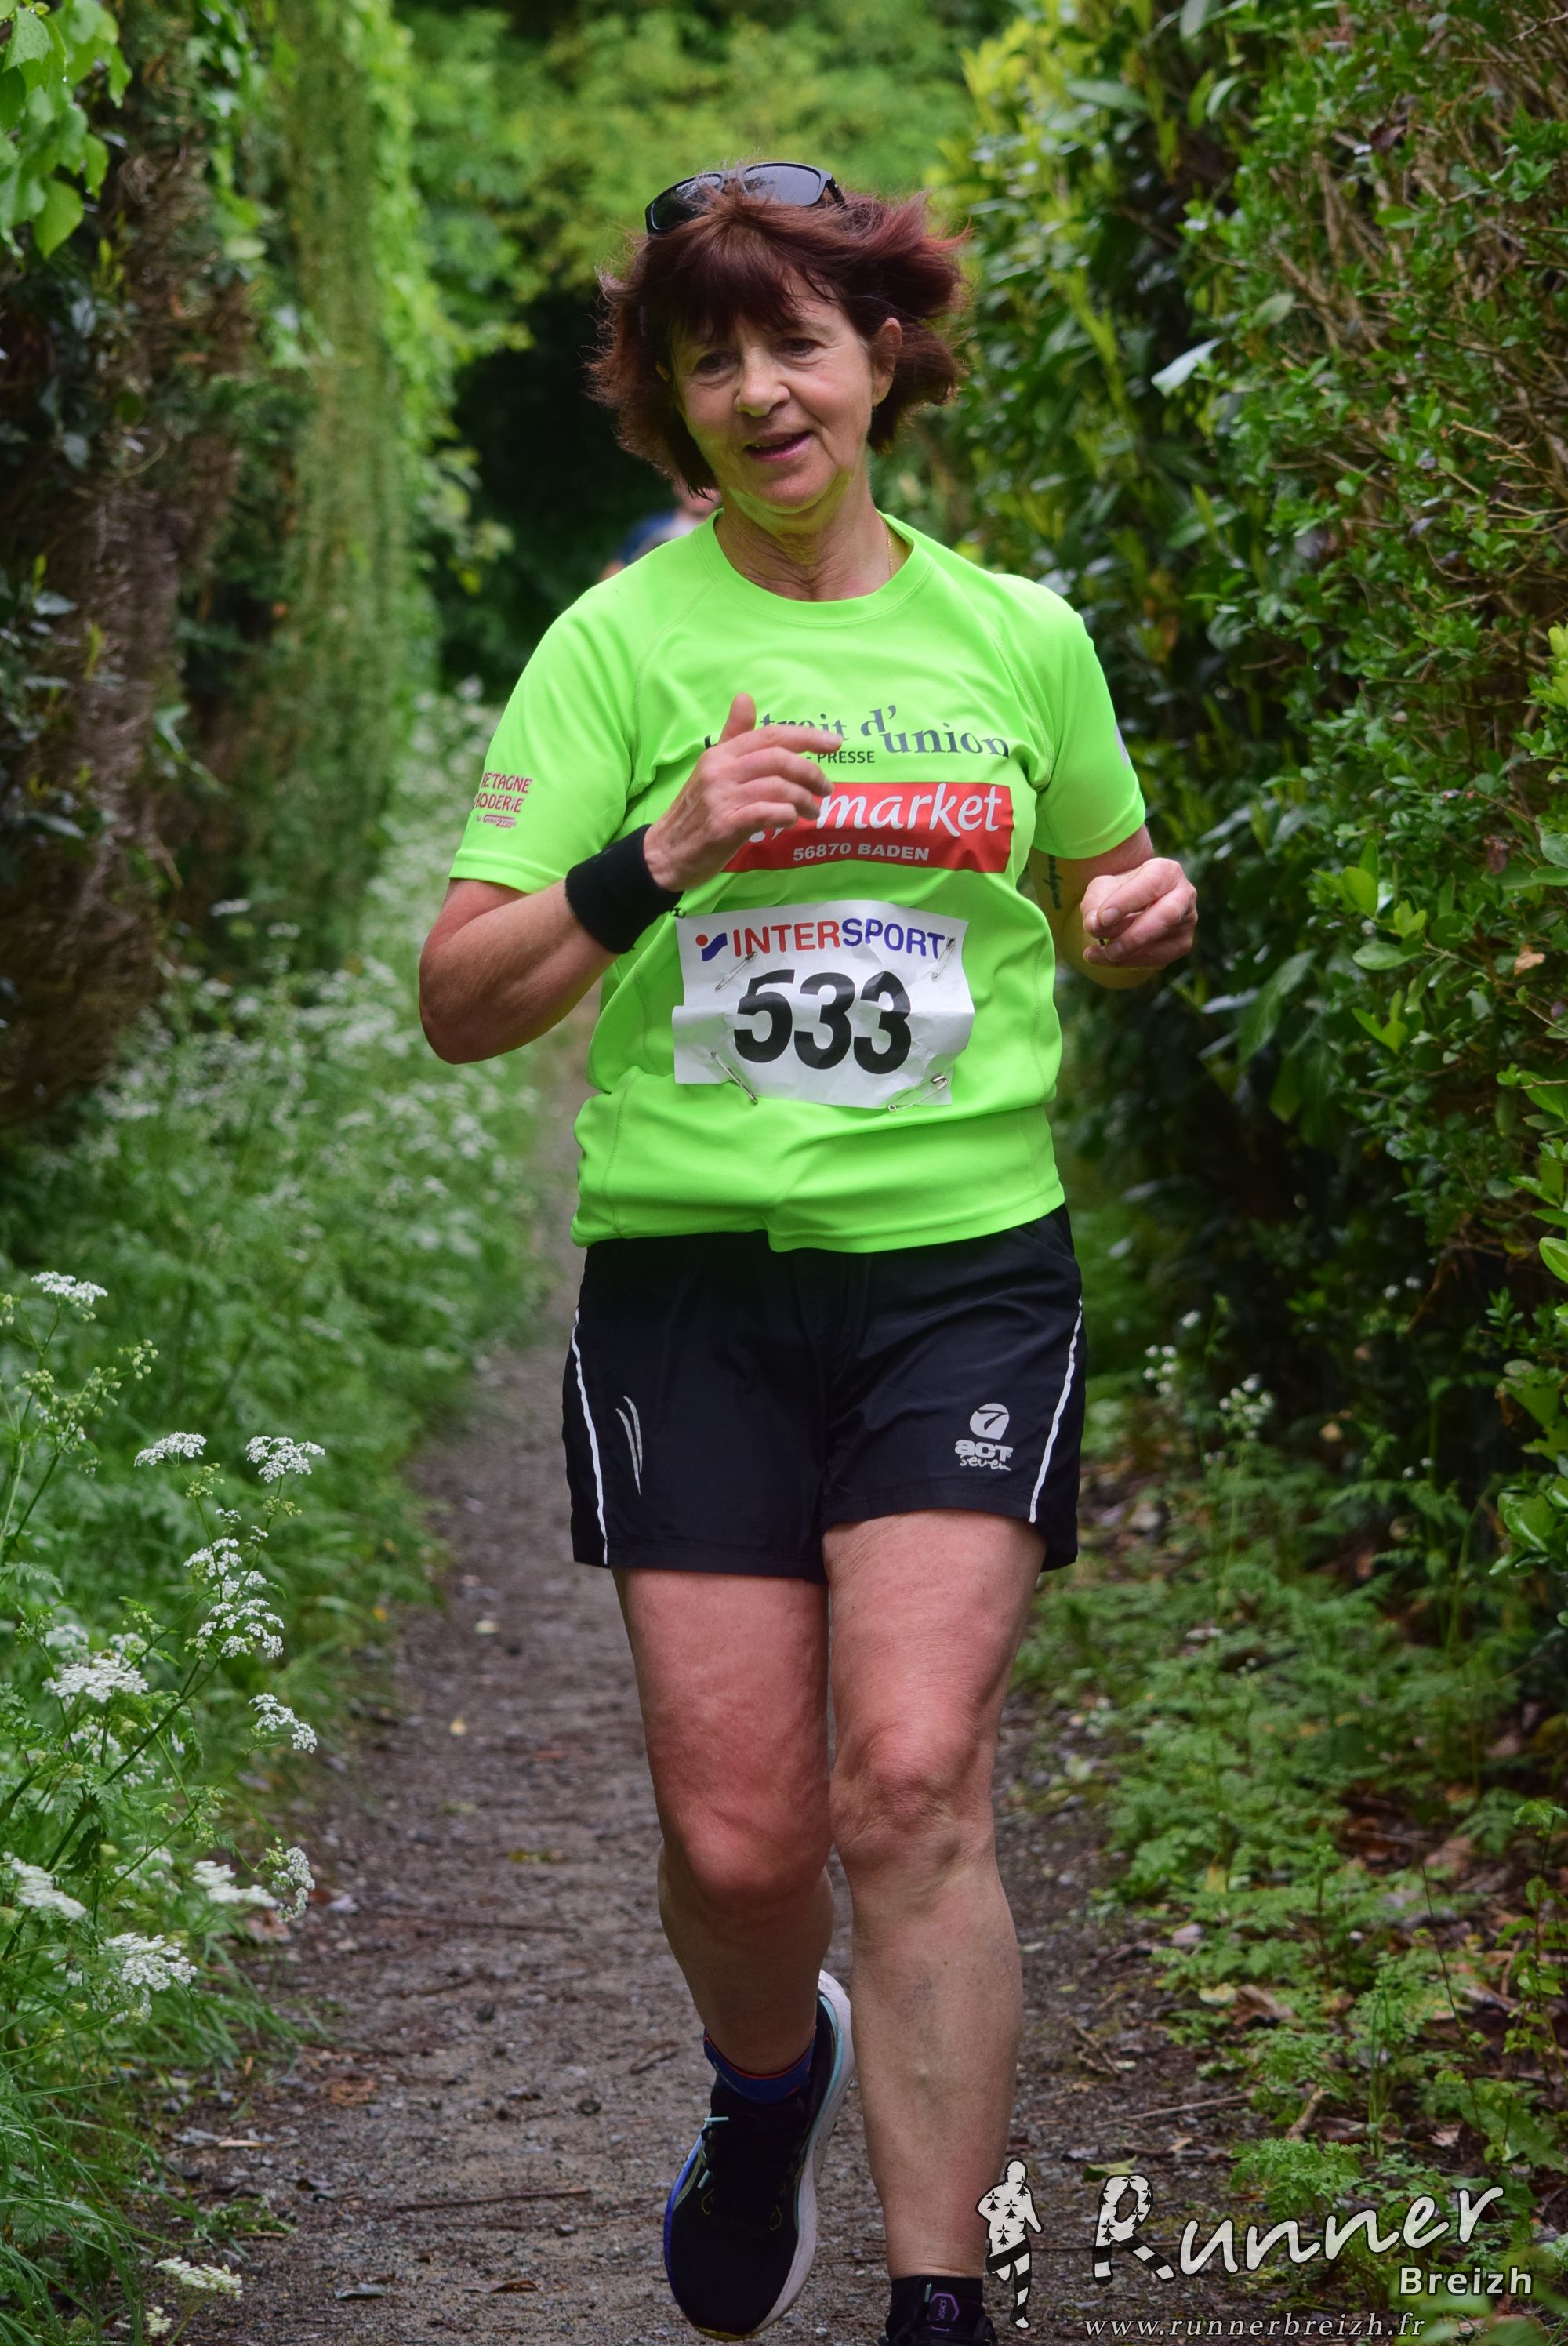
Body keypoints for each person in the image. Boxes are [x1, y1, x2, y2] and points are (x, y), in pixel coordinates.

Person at [419, 158, 1197, 2346]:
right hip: (694, 1286)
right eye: (710, 359)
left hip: (961, 1271)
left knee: (913, 1783)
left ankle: (938, 2301)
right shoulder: (618, 646)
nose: (761, 391)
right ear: (669, 403)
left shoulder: (1017, 638)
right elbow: (460, 997)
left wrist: (1134, 921)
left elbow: (1102, 895)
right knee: (745, 1843)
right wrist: (656, 850)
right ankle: (769, 2084)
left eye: (796, 342)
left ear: (881, 358)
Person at [600, 478, 720, 578]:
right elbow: (616, 569)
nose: (702, 491)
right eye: (694, 484)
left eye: (710, 486)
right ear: (677, 487)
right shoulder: (652, 530)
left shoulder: (726, 536)